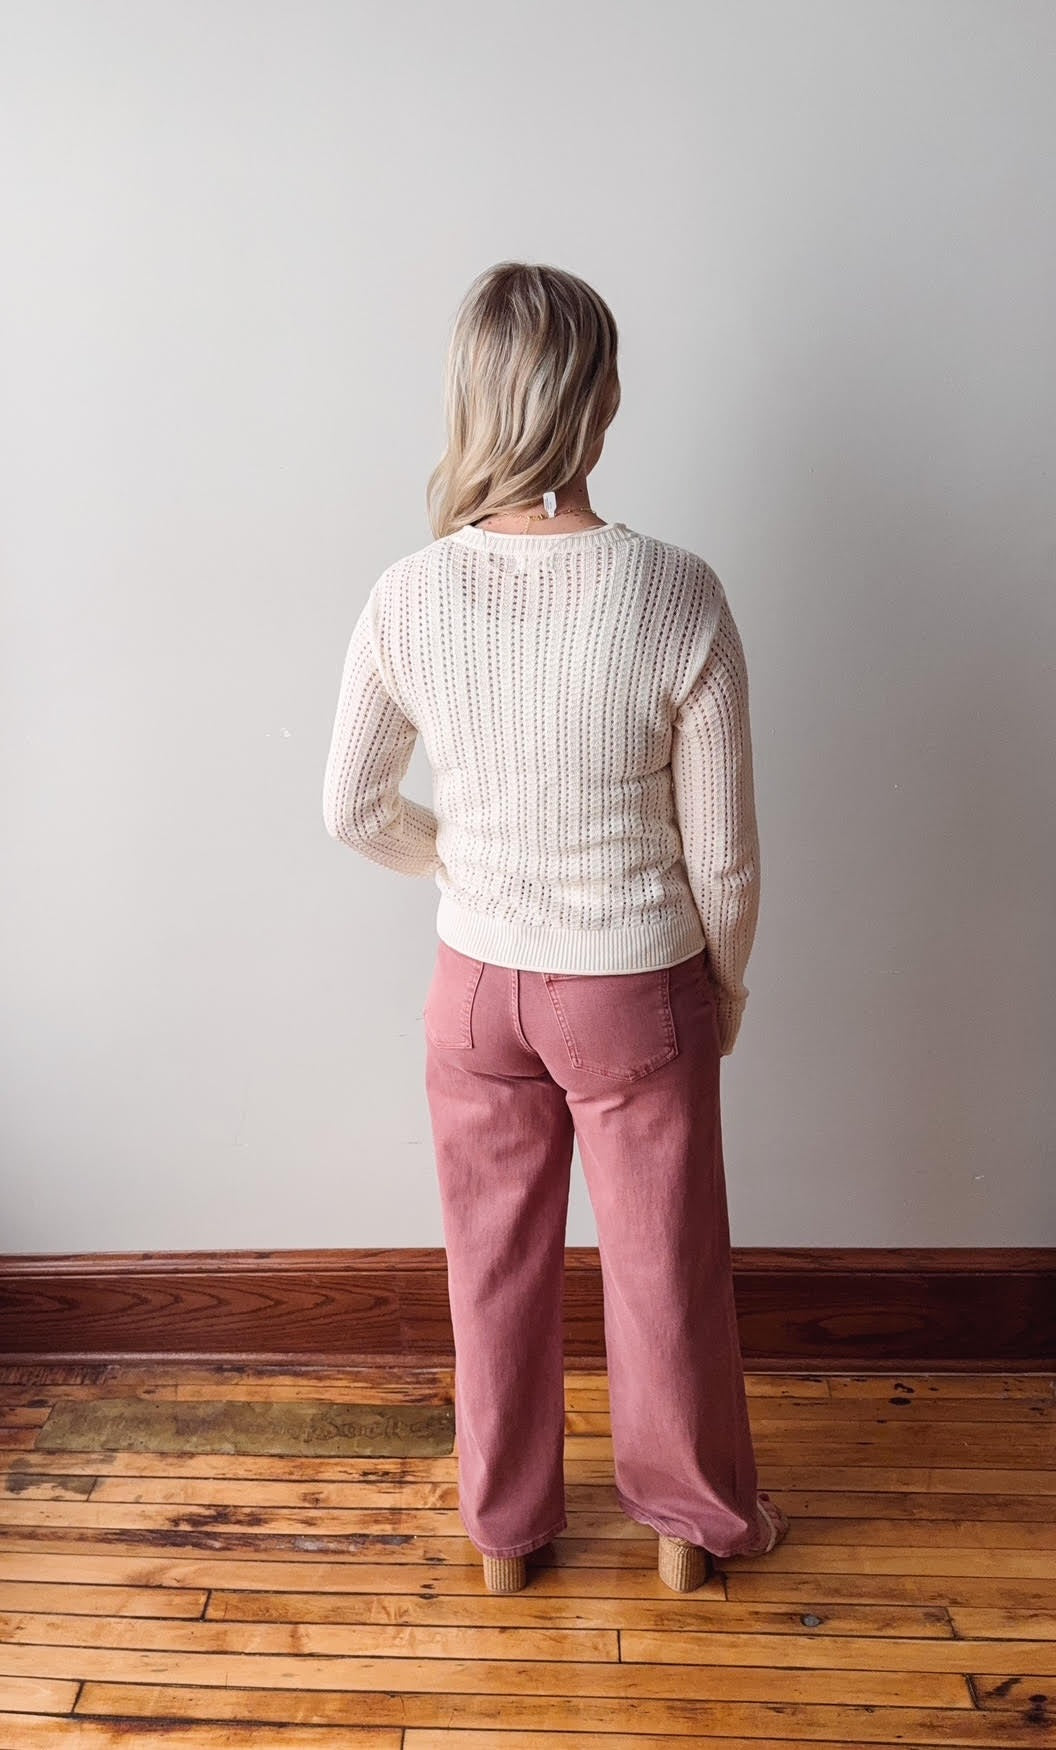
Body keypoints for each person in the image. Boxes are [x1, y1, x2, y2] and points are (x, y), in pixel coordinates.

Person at [321, 259, 790, 1595]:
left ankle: (508, 1537)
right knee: (664, 1270)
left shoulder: (408, 593)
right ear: (602, 398)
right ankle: (689, 1526)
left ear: (475, 397)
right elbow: (729, 860)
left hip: (475, 987)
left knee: (492, 1267)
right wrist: (728, 992)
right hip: (636, 983)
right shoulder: (676, 592)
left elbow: (350, 803)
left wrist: (457, 865)